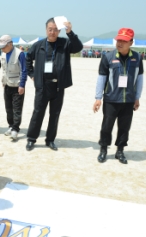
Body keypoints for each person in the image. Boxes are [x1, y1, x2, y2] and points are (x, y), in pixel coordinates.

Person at [25, 18, 83, 151]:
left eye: (55, 30)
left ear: (59, 30)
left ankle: (50, 140)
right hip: (42, 86)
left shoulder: (65, 43)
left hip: (58, 86)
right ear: (46, 30)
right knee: (38, 113)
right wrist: (32, 74)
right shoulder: (38, 45)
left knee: (54, 114)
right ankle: (31, 139)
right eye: (50, 29)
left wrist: (70, 33)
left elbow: (78, 47)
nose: (52, 32)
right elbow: (27, 59)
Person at [93, 28, 144, 164]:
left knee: (124, 127)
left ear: (131, 42)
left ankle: (120, 151)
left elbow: (139, 79)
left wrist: (137, 97)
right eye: (118, 40)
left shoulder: (137, 58)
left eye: (124, 41)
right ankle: (103, 150)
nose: (119, 43)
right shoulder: (108, 57)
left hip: (128, 99)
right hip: (111, 99)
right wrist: (98, 98)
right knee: (106, 126)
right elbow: (101, 78)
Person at [0, 35, 28, 141]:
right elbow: (4, 70)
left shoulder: (20, 54)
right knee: (8, 108)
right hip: (7, 85)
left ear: (10, 44)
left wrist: (22, 85)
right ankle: (10, 126)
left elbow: (24, 70)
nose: (2, 49)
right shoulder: (3, 54)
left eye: (4, 46)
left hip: (17, 86)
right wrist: (3, 81)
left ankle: (15, 129)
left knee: (17, 109)